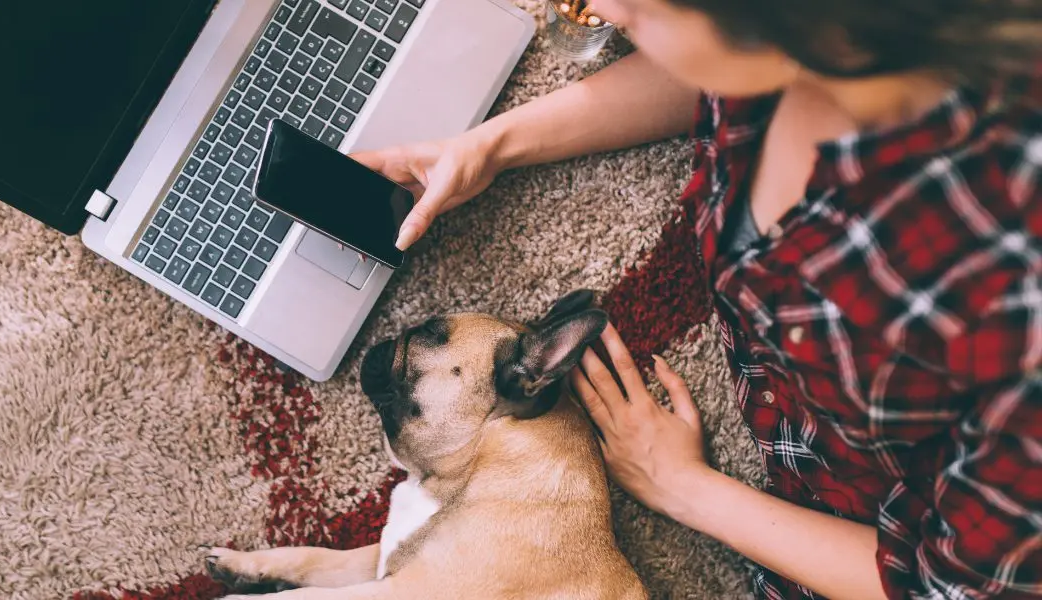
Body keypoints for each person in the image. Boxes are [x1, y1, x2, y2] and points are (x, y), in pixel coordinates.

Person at [352, 1, 1042, 598]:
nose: (605, 18)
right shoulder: (810, 43)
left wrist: (683, 486)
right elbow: (720, 73)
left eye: (645, 11)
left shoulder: (1002, 315)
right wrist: (493, 147)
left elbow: (950, 588)